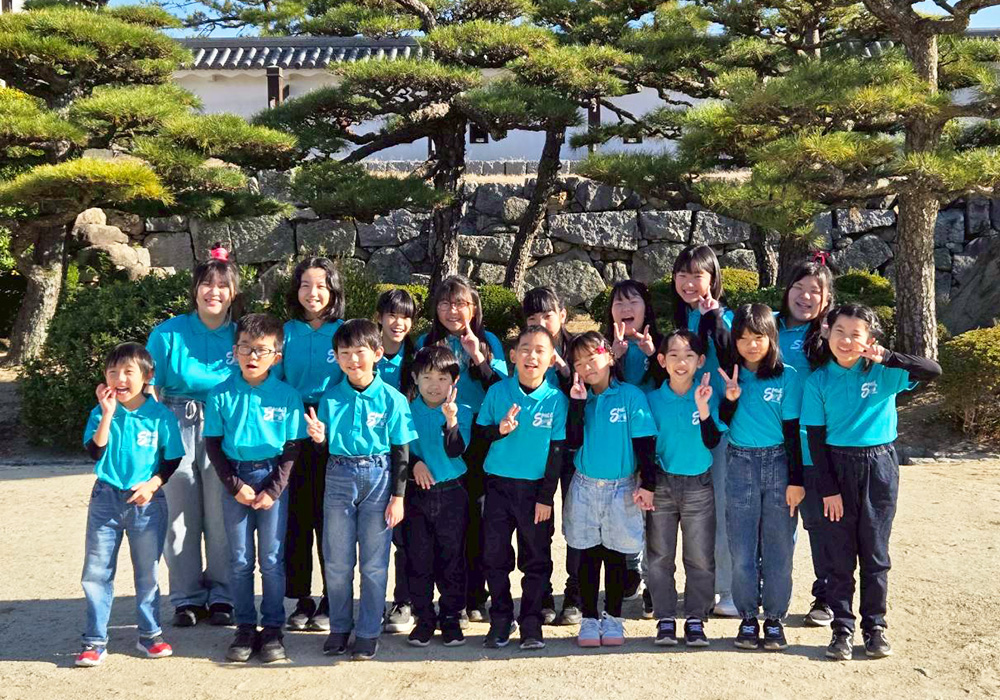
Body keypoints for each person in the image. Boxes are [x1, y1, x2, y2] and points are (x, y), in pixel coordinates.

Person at [801, 304, 941, 661]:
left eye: (855, 334)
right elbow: (815, 441)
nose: (846, 340)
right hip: (836, 466)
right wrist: (829, 490)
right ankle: (842, 629)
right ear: (826, 333)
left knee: (876, 554)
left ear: (870, 339)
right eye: (839, 331)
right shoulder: (818, 381)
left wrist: (888, 357)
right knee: (840, 557)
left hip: (879, 466)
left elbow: (932, 370)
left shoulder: (884, 373)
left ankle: (875, 627)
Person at [307, 319, 418, 661]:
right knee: (337, 560)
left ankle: (368, 631)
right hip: (339, 476)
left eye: (360, 352)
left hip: (379, 477)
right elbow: (323, 451)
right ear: (336, 357)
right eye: (344, 353)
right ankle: (340, 627)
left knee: (374, 562)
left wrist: (398, 497)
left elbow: (401, 451)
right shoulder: (330, 398)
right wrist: (319, 440)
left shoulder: (392, 399)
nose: (353, 360)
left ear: (377, 353)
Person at [76, 343, 185, 667]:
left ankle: (150, 635)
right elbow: (95, 452)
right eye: (113, 372)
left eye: (128, 372)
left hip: (146, 503)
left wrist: (153, 484)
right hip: (105, 499)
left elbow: (172, 459)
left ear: (147, 376)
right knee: (97, 572)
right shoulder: (100, 412)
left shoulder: (161, 416)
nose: (120, 379)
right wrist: (107, 414)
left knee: (147, 572)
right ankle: (95, 641)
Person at [145, 244, 238, 627]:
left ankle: (223, 595)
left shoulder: (241, 335)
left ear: (233, 292)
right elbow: (149, 388)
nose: (214, 292)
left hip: (225, 429)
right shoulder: (168, 334)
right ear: (195, 289)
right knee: (179, 518)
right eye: (207, 284)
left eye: (222, 285)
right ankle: (186, 598)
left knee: (222, 516)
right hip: (176, 424)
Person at [205, 313, 306, 663]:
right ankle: (245, 626)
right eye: (245, 347)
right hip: (235, 478)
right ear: (234, 351)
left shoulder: (287, 396)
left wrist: (274, 489)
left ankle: (273, 626)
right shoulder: (220, 394)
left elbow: (292, 448)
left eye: (262, 350)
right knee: (240, 559)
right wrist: (234, 485)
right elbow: (213, 445)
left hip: (272, 476)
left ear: (276, 357)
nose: (252, 356)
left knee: (272, 559)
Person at [418, 276, 508, 624]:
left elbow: (501, 388)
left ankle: (475, 595)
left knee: (478, 517)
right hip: (441, 437)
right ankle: (439, 598)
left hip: (479, 436)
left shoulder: (488, 340)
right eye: (444, 303)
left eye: (460, 303)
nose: (452, 310)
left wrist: (477, 356)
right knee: (442, 523)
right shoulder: (427, 341)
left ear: (474, 308)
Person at [564, 332, 657, 647]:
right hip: (585, 486)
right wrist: (577, 405)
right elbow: (572, 441)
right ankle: (589, 618)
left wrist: (649, 484)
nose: (586, 367)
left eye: (592, 358)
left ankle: (613, 617)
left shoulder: (631, 396)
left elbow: (645, 443)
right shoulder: (578, 397)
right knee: (587, 554)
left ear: (609, 356)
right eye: (579, 362)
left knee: (616, 554)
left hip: (622, 487)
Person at [477, 326, 568, 651]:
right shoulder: (497, 392)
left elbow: (557, 452)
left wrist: (546, 497)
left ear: (552, 359)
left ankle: (531, 622)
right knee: (495, 557)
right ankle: (501, 619)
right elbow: (479, 436)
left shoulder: (556, 400)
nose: (532, 356)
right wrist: (499, 430)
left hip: (535, 493)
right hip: (498, 487)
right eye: (525, 348)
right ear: (513, 356)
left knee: (536, 559)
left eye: (540, 350)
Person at [721, 304, 804, 651]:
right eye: (742, 339)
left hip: (779, 462)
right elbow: (719, 423)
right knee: (742, 549)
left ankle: (774, 618)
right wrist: (730, 399)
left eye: (758, 337)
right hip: (740, 462)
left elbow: (793, 431)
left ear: (772, 337)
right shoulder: (730, 375)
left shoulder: (788, 376)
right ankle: (747, 617)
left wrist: (797, 480)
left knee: (779, 549)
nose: (751, 345)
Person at [644, 330, 726, 647]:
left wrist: (702, 407)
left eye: (689, 355)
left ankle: (695, 618)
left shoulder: (707, 394)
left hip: (698, 484)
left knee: (700, 557)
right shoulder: (652, 400)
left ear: (700, 361)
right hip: (662, 483)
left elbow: (713, 440)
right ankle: (665, 617)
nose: (682, 362)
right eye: (674, 355)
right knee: (659, 556)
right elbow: (645, 447)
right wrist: (646, 484)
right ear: (662, 360)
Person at [276, 257, 345, 633]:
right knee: (297, 519)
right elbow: (273, 380)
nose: (313, 293)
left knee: (331, 519)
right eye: (305, 285)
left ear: (333, 290)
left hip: (334, 432)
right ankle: (301, 598)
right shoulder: (284, 332)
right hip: (293, 430)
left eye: (321, 285)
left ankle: (333, 598)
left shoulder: (344, 332)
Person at [671, 244, 737, 617]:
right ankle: (702, 586)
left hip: (719, 427)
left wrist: (715, 320)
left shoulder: (725, 318)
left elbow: (731, 359)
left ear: (713, 278)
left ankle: (727, 588)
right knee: (693, 514)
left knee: (723, 510)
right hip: (684, 429)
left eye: (698, 275)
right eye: (682, 274)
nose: (689, 282)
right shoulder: (680, 321)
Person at [776, 260, 836, 627]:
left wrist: (832, 340)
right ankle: (766, 590)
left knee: (819, 524)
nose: (805, 296)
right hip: (769, 442)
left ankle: (826, 595)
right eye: (799, 286)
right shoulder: (769, 327)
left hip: (813, 443)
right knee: (773, 523)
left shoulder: (829, 335)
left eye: (815, 290)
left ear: (826, 299)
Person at [602, 279, 664, 614]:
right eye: (619, 303)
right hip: (617, 438)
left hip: (654, 437)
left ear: (646, 308)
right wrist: (613, 356)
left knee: (654, 509)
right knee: (624, 504)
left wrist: (653, 354)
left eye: (633, 302)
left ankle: (654, 581)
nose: (626, 309)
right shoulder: (603, 345)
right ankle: (630, 568)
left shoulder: (661, 341)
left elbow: (673, 379)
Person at [404, 346, 473, 648]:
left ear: (454, 382)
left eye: (443, 378)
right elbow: (397, 448)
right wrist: (414, 464)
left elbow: (456, 451)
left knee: (452, 558)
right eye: (427, 377)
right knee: (418, 558)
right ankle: (424, 618)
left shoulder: (462, 411)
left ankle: (451, 617)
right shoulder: (405, 410)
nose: (435, 385)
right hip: (416, 494)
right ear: (415, 378)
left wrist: (451, 421)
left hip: (451, 493)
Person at [523, 286, 580, 625]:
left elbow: (592, 387)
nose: (541, 323)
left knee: (576, 524)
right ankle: (541, 593)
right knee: (537, 524)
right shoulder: (526, 349)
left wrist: (562, 368)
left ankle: (574, 596)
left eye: (547, 315)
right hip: (536, 452)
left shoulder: (579, 347)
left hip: (574, 450)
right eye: (533, 318)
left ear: (562, 315)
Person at [375, 288, 419, 633]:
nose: (398, 322)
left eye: (405, 316)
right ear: (379, 317)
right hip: (369, 457)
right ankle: (369, 602)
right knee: (371, 536)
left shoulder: (417, 359)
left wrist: (415, 459)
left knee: (405, 538)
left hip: (406, 456)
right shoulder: (366, 354)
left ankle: (405, 601)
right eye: (392, 314)